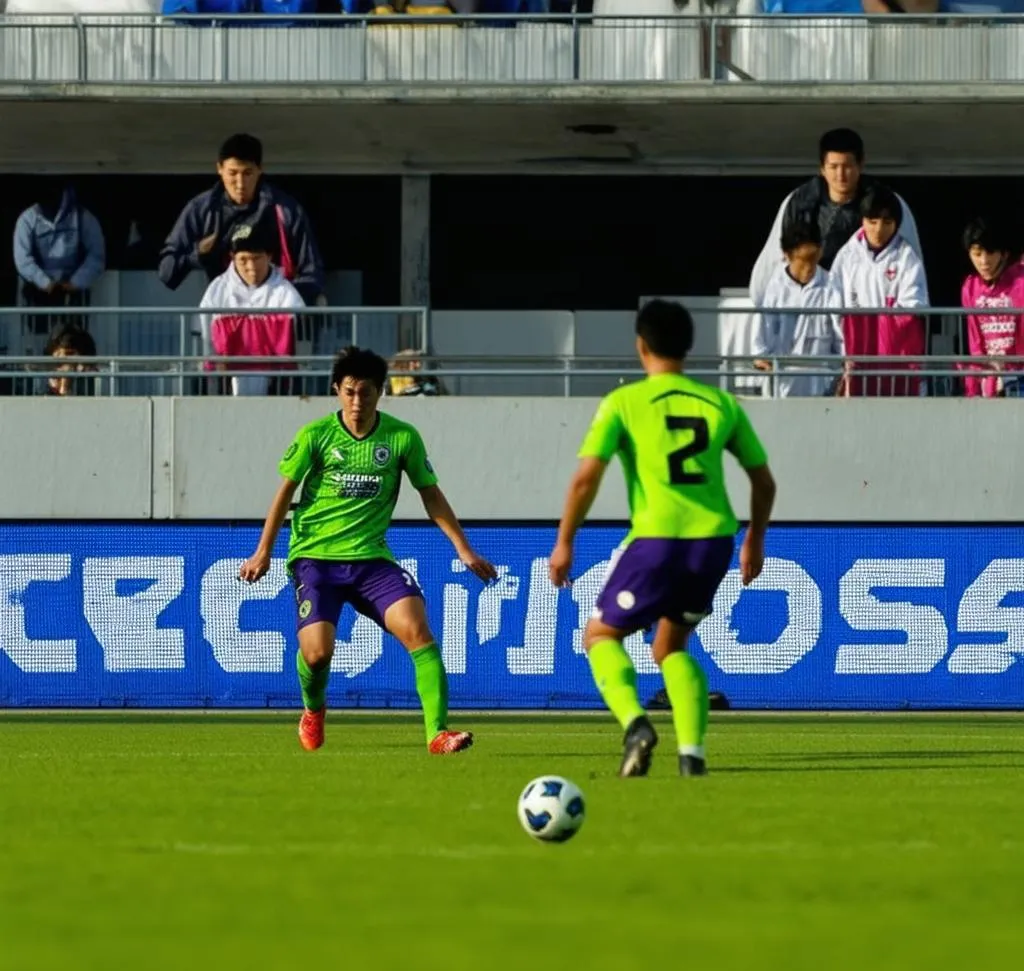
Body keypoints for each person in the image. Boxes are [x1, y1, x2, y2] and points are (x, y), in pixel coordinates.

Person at [548, 299, 776, 778]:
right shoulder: (721, 403)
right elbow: (764, 482)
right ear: (689, 348)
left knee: (600, 635)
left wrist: (564, 543)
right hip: (713, 542)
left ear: (640, 346)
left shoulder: (624, 403)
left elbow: (584, 480)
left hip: (656, 539)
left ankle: (635, 724)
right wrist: (754, 539)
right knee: (670, 647)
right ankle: (692, 754)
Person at [238, 345, 497, 754]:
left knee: (419, 633)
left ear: (381, 393)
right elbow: (283, 492)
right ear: (337, 390)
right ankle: (313, 709)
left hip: (372, 561)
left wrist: (463, 549)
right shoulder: (316, 436)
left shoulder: (400, 437)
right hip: (317, 560)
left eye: (367, 393)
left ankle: (437, 733)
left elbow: (431, 495)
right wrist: (263, 552)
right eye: (350, 392)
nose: (357, 402)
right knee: (318, 654)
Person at [749, 128, 921, 306]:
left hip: (867, 306)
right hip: (811, 306)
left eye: (847, 166)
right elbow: (773, 261)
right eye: (833, 167)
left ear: (861, 164)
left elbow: (911, 261)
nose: (840, 175)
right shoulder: (798, 202)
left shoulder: (888, 203)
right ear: (822, 168)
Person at [159, 133, 325, 307]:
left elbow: (312, 271)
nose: (240, 183)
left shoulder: (286, 210)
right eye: (232, 173)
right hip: (224, 314)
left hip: (275, 314)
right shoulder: (201, 209)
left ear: (260, 169)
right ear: (219, 169)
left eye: (247, 173)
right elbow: (166, 272)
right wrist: (197, 253)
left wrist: (289, 303)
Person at [828, 186, 929, 398]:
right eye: (872, 222)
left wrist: (881, 325)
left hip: (894, 360)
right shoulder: (847, 256)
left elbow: (915, 304)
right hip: (856, 355)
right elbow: (833, 305)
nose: (878, 230)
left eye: (887, 223)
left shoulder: (906, 257)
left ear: (897, 225)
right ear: (862, 220)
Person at [199, 224, 306, 397]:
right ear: (232, 257)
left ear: (269, 256)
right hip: (225, 382)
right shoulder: (217, 290)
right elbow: (204, 340)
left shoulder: (285, 292)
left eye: (257, 258)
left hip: (275, 383)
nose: (251, 266)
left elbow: (300, 338)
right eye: (243, 259)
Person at [752, 218, 842, 398]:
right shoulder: (773, 289)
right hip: (780, 391)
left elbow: (841, 341)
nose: (809, 267)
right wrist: (765, 363)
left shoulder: (832, 286)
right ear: (787, 255)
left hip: (822, 393)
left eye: (813, 258)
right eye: (803, 260)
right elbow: (760, 347)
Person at [13, 181, 105, 336]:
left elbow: (96, 256)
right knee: (38, 340)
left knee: (74, 340)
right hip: (38, 295)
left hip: (74, 296)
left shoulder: (83, 217)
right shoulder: (27, 219)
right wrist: (45, 282)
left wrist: (75, 283)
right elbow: (22, 259)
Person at [959, 217, 1024, 398]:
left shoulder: (1020, 281)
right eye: (977, 254)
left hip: (1019, 378)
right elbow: (975, 342)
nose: (984, 261)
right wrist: (973, 388)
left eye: (990, 252)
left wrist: (1011, 369)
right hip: (990, 381)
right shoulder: (970, 288)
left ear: (1003, 253)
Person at [43, 323, 98, 398]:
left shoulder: (88, 377)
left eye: (69, 353)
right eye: (58, 353)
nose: (62, 357)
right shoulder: (44, 375)